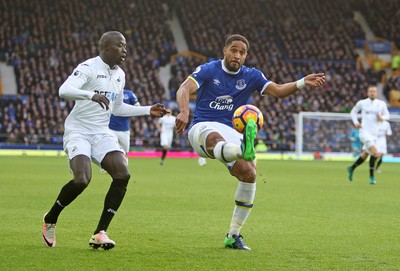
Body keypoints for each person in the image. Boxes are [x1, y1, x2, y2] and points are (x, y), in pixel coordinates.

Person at [175, 34, 325, 250]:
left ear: (246, 56)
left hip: (232, 130)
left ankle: (233, 235)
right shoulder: (209, 69)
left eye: (242, 52)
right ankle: (241, 148)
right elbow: (184, 88)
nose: (237, 55)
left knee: (249, 174)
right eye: (233, 50)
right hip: (203, 126)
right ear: (225, 51)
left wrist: (302, 82)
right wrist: (184, 111)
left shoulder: (252, 75)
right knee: (216, 139)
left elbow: (278, 91)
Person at [41, 31, 166, 250]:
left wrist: (147, 110)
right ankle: (50, 219)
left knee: (123, 175)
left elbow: (116, 108)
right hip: (78, 131)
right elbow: (64, 90)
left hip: (101, 132)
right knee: (81, 181)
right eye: (120, 45)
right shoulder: (88, 67)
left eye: (126, 46)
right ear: (106, 47)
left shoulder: (120, 75)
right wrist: (90, 95)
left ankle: (100, 233)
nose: (125, 49)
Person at [347, 85, 390, 185]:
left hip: (375, 134)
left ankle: (351, 168)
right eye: (370, 91)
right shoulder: (362, 103)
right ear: (367, 92)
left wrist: (382, 117)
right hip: (364, 132)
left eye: (374, 91)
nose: (372, 93)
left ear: (377, 93)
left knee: (365, 155)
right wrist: (356, 122)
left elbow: (387, 115)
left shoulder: (381, 104)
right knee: (375, 152)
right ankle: (372, 177)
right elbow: (353, 112)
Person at [109, 89, 140, 154]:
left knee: (125, 153)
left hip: (124, 129)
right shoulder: (110, 92)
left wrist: (131, 110)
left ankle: (124, 163)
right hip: (111, 129)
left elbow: (137, 105)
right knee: (112, 151)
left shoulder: (129, 93)